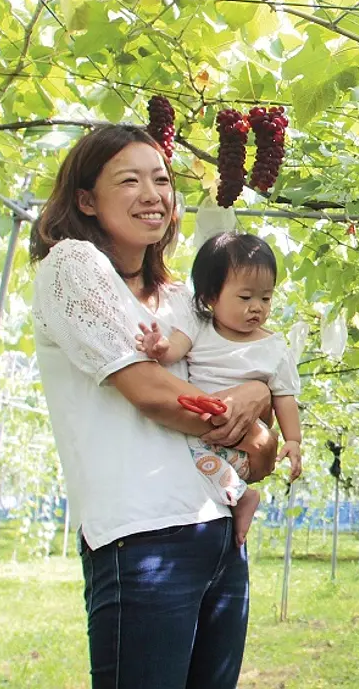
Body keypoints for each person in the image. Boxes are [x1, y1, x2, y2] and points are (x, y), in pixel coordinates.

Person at [29, 124, 277, 689]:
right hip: (141, 536)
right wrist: (254, 429)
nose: (153, 194)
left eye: (161, 180)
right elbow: (152, 394)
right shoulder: (72, 266)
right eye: (130, 180)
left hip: (218, 535)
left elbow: (255, 391)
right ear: (86, 199)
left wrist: (257, 400)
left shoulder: (181, 302)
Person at [136, 231, 305, 547]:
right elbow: (173, 349)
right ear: (211, 296)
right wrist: (157, 347)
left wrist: (293, 440)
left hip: (241, 435)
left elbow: (284, 397)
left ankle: (240, 497)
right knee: (181, 453)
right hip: (204, 431)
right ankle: (240, 494)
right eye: (245, 298)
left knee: (190, 456)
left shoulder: (273, 347)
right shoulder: (199, 328)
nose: (257, 307)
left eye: (265, 298)